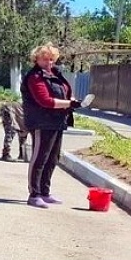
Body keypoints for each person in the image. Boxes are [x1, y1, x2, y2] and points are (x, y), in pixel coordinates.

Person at [20, 42, 81, 209]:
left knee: (53, 158)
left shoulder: (55, 74)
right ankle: (34, 194)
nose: (49, 62)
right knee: (40, 157)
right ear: (36, 59)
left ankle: (45, 192)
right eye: (45, 59)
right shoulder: (35, 76)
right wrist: (69, 103)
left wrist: (72, 101)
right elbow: (45, 100)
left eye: (52, 59)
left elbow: (64, 92)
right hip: (41, 122)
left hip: (58, 121)